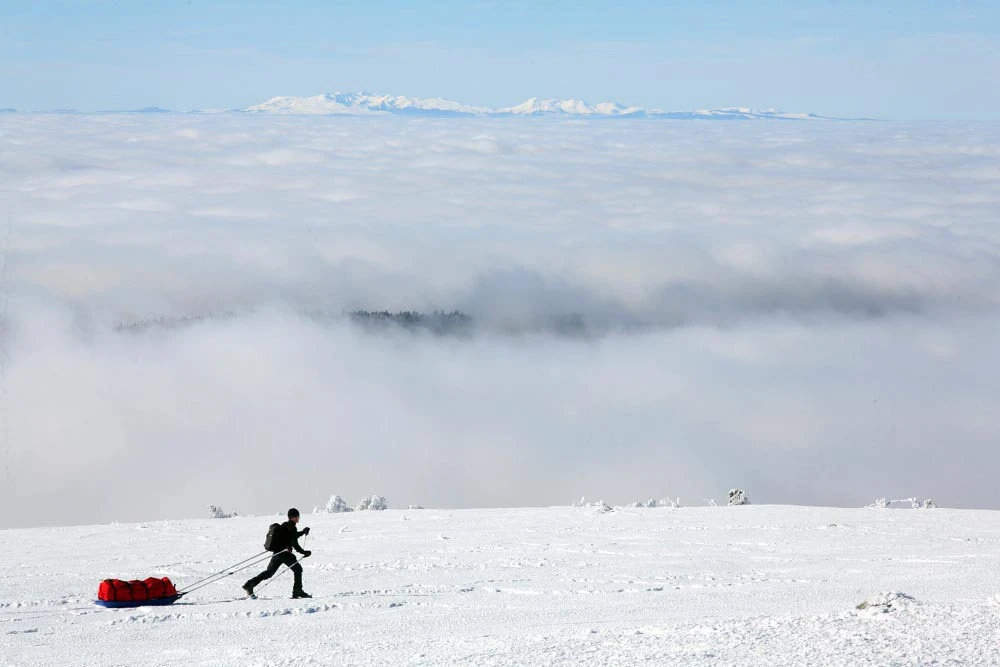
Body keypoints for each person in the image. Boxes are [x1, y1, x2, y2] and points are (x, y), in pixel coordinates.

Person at [243, 508, 313, 599]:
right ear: (294, 517)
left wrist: (303, 532)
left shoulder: (285, 525)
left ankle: (250, 584)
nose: (298, 518)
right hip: (284, 554)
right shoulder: (292, 527)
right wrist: (304, 552)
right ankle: (297, 591)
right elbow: (294, 543)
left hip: (277, 553)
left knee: (269, 573)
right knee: (298, 569)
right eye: (297, 516)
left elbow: (293, 536)